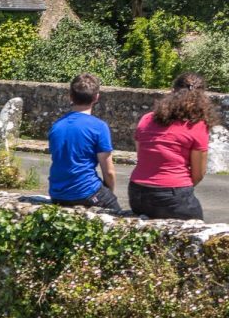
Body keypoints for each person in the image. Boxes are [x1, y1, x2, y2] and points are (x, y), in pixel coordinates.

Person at [129, 73, 217, 221]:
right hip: (173, 195)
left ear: (172, 92)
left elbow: (143, 156)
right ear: (202, 98)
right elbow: (198, 173)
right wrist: (178, 187)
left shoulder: (146, 119)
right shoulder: (198, 125)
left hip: (137, 193)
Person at [47, 73, 120, 210]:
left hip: (57, 194)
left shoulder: (56, 126)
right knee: (119, 217)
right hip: (85, 192)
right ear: (96, 97)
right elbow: (109, 172)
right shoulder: (99, 127)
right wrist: (109, 192)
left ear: (70, 96)